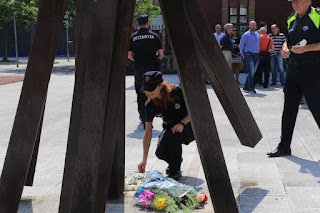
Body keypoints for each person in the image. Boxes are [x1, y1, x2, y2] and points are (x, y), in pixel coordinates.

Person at [267, 0, 320, 157]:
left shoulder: (317, 16)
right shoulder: (291, 19)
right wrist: (284, 49)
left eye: (298, 1)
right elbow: (287, 40)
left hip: (313, 69)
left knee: (317, 108)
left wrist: (305, 49)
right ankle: (284, 146)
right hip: (293, 68)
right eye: (293, 1)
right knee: (289, 108)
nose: (294, 4)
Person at [137, 71, 195, 180]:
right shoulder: (150, 105)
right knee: (160, 152)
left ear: (161, 86)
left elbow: (194, 109)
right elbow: (148, 132)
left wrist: (182, 123)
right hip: (170, 127)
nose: (149, 92)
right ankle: (175, 161)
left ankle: (175, 170)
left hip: (188, 124)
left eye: (152, 88)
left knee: (173, 137)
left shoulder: (177, 92)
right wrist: (144, 159)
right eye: (147, 89)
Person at [128, 14, 164, 127]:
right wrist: (156, 59)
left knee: (140, 93)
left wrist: (137, 61)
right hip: (152, 70)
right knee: (154, 93)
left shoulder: (133, 37)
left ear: (138, 25)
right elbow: (161, 54)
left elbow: (129, 55)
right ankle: (152, 116)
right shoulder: (154, 36)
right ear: (148, 23)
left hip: (139, 70)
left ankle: (144, 118)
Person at [239, 21, 260, 93]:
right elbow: (241, 46)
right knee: (251, 72)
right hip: (248, 54)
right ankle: (251, 87)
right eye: (252, 25)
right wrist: (243, 55)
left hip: (256, 54)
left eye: (255, 25)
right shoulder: (246, 35)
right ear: (249, 26)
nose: (254, 26)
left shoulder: (258, 34)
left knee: (253, 72)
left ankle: (245, 86)